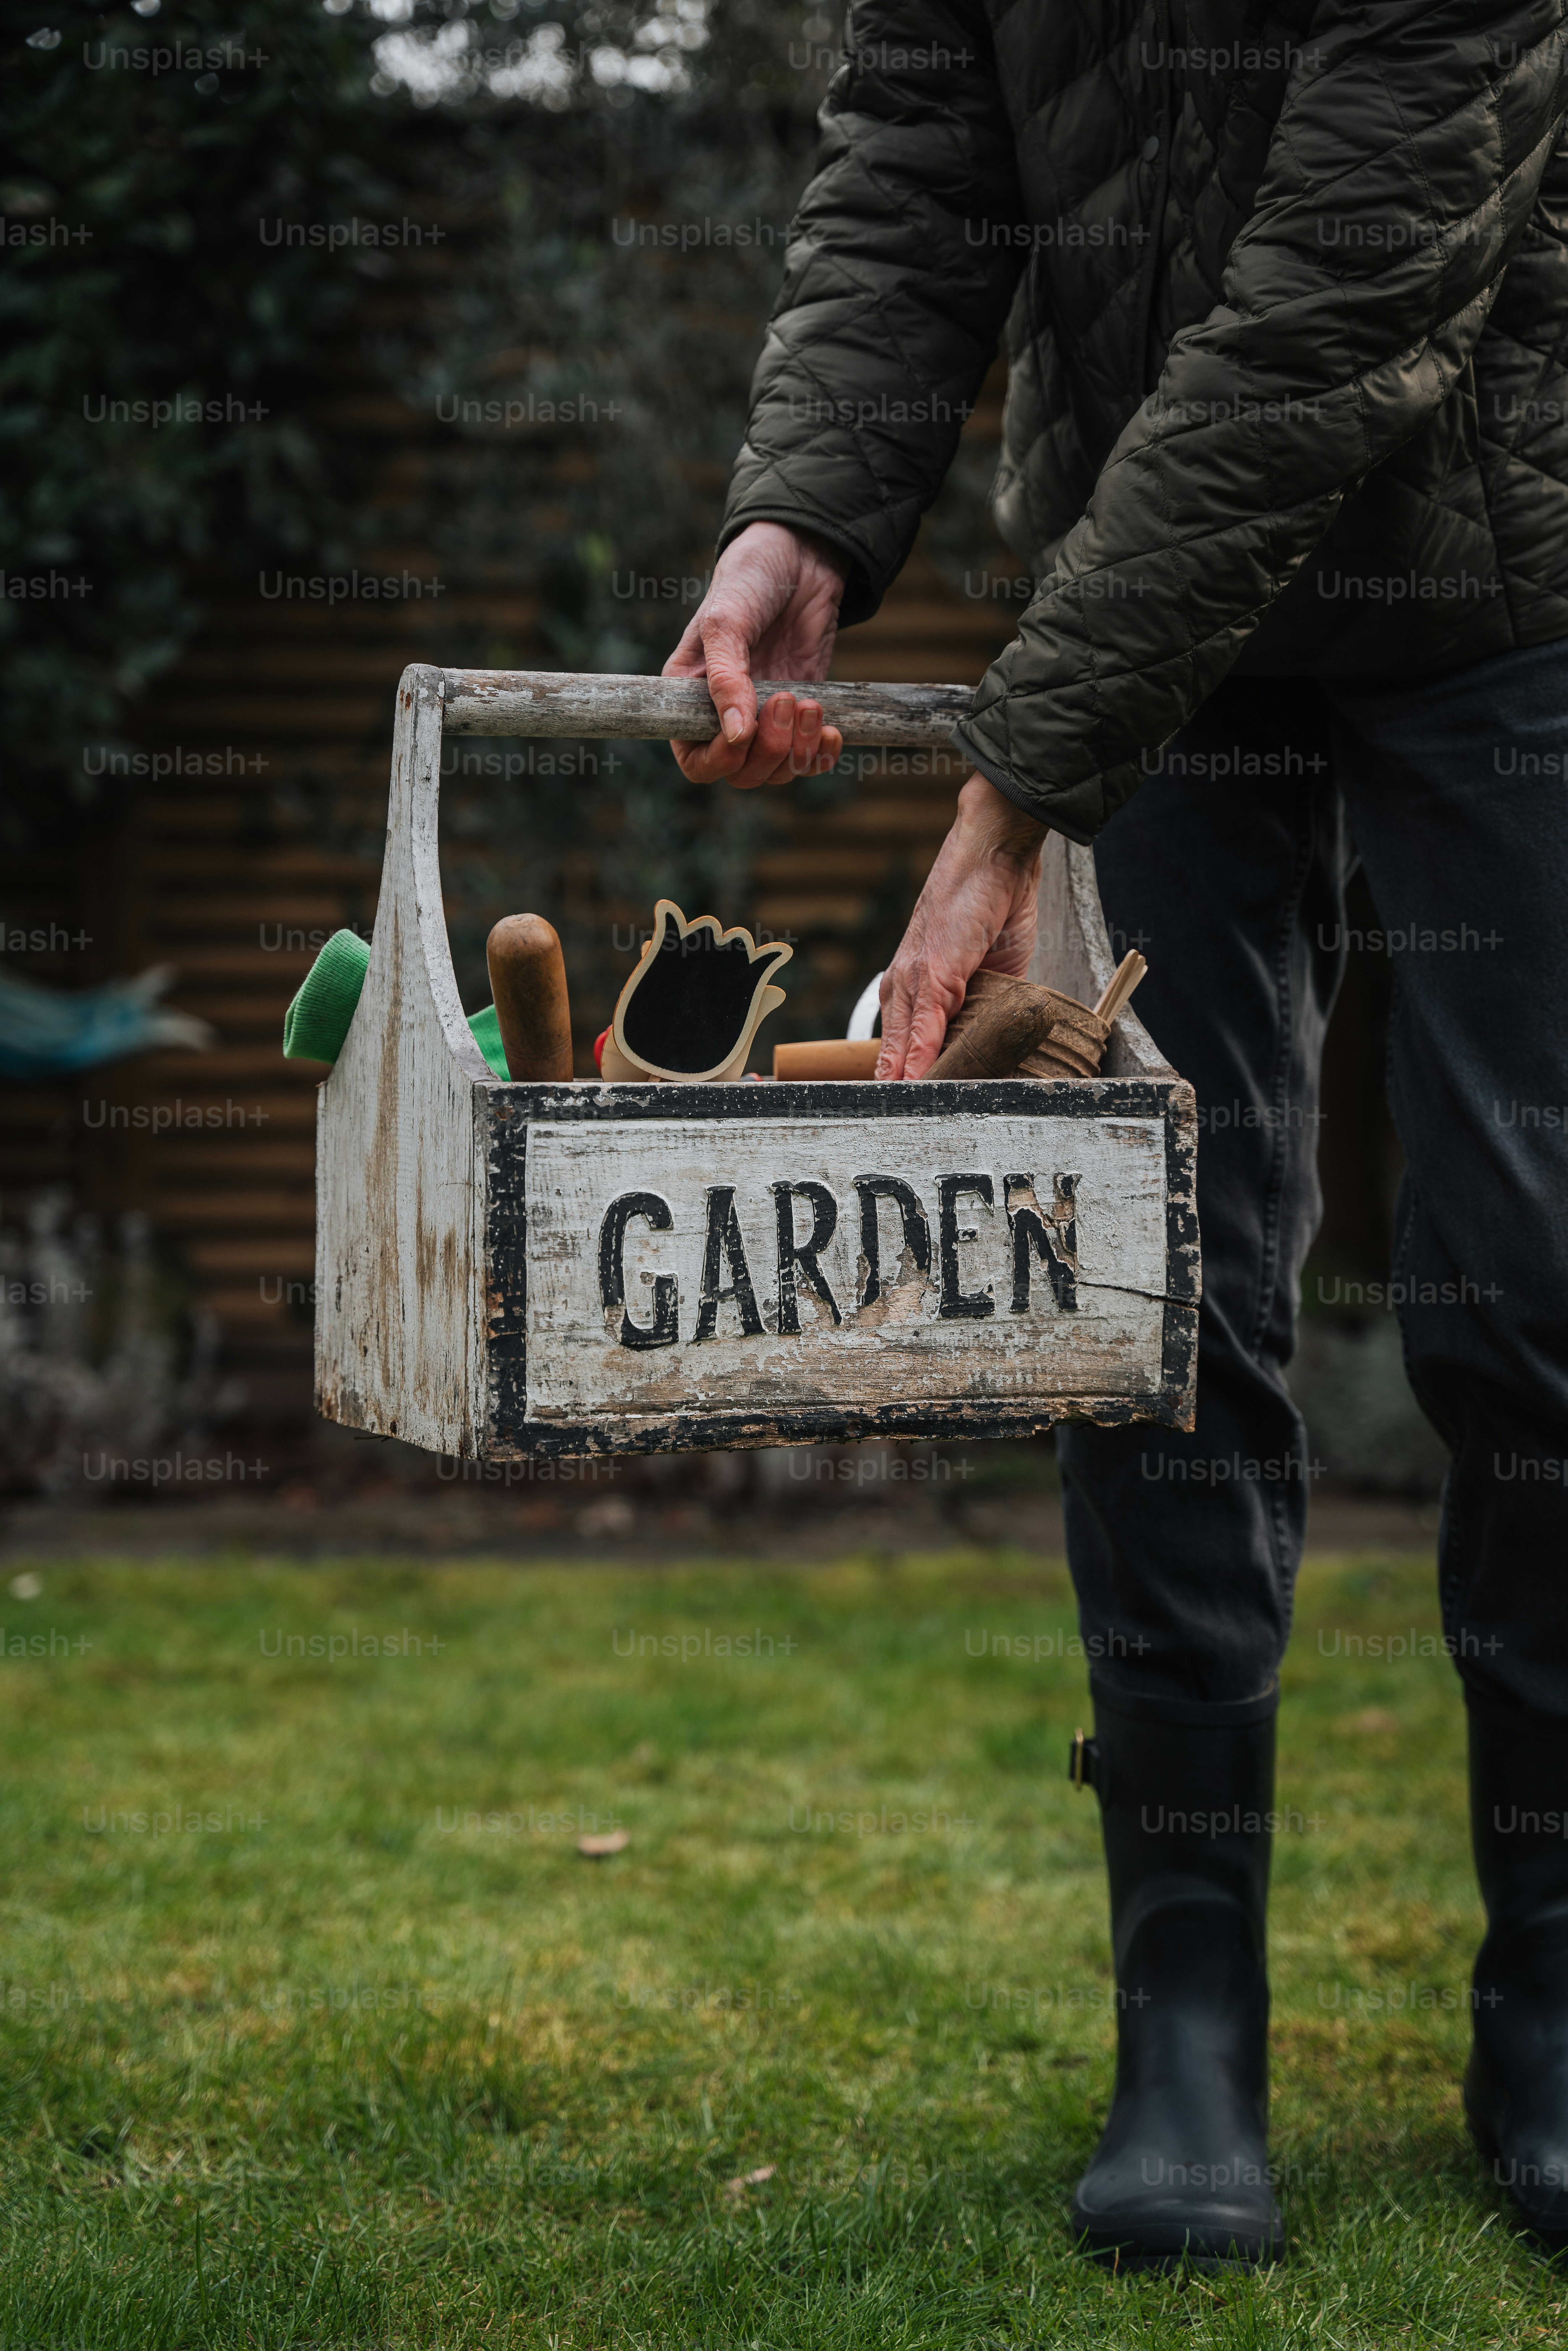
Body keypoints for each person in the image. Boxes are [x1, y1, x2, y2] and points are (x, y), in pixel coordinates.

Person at [662, 0, 1568, 2269]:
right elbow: (915, 163)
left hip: (1511, 597)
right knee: (1141, 1297)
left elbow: (1342, 299)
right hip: (1151, 626)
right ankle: (1184, 2028)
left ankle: (1554, 2010)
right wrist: (805, 510)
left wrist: (1014, 783)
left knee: (1535, 1295)